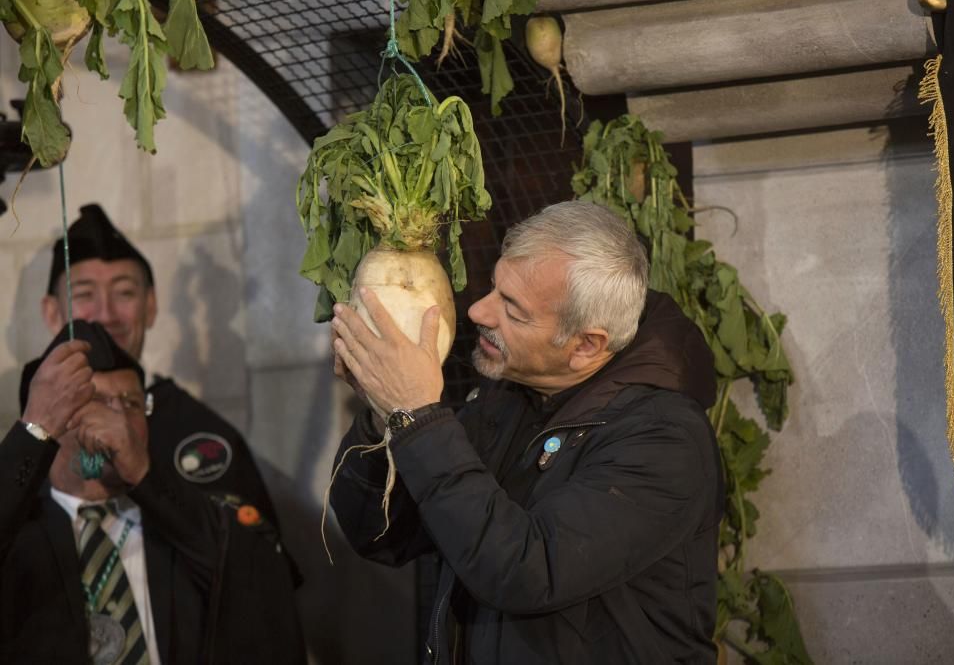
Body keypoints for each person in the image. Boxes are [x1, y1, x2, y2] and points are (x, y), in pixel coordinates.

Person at [329, 201, 725, 664]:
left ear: (586, 345)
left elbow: (525, 571)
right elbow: (381, 535)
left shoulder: (664, 440)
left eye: (512, 310)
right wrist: (383, 418)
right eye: (495, 288)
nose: (478, 310)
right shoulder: (507, 398)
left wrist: (416, 415)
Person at [1, 321, 304, 664]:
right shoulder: (18, 527)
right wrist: (34, 432)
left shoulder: (179, 520)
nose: (119, 420)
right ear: (54, 419)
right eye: (95, 401)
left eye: (131, 403)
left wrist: (146, 475)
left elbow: (257, 572)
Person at [40, 204, 281, 532]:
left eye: (124, 292)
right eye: (84, 294)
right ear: (52, 313)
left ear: (150, 306)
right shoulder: (34, 432)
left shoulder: (203, 437)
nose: (106, 313)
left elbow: (258, 569)